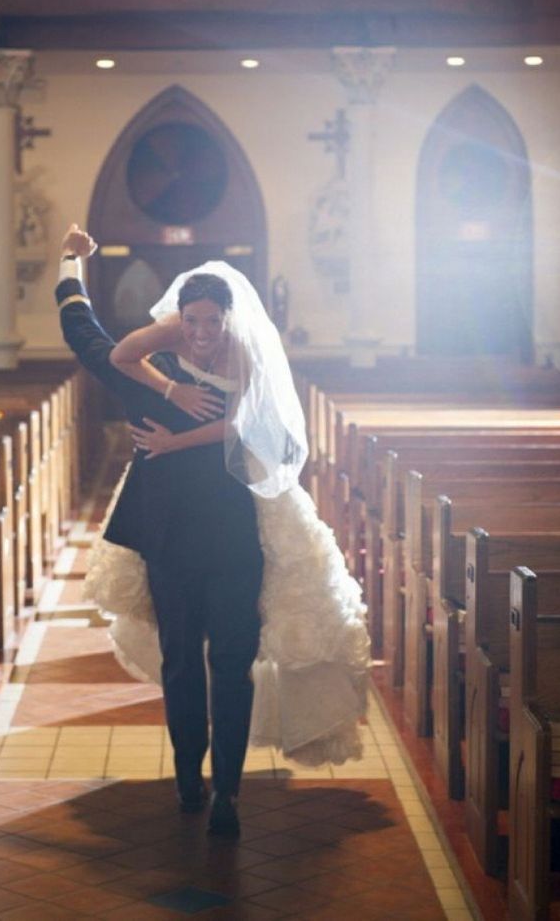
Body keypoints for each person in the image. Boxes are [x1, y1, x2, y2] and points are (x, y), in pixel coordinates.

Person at [56, 224, 371, 836]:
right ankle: (188, 779)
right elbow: (86, 335)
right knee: (182, 664)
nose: (201, 336)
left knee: (230, 662)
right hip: (175, 543)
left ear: (228, 320)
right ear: (178, 321)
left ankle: (224, 789)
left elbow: (84, 329)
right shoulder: (147, 373)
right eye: (190, 324)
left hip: (231, 541)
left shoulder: (240, 370)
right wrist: (68, 260)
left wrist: (71, 263)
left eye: (211, 324)